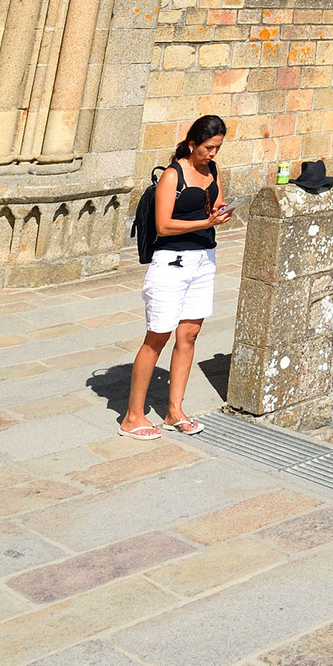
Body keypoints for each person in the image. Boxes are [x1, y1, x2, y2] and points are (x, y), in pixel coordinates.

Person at [119, 114, 232, 439]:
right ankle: (133, 417)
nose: (212, 154)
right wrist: (205, 223)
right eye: (208, 148)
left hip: (203, 260)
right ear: (193, 144)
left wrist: (220, 212)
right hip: (172, 262)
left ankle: (174, 411)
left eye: (217, 148)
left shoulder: (213, 170)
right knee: (158, 336)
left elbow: (217, 202)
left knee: (189, 335)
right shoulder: (173, 175)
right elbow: (164, 225)